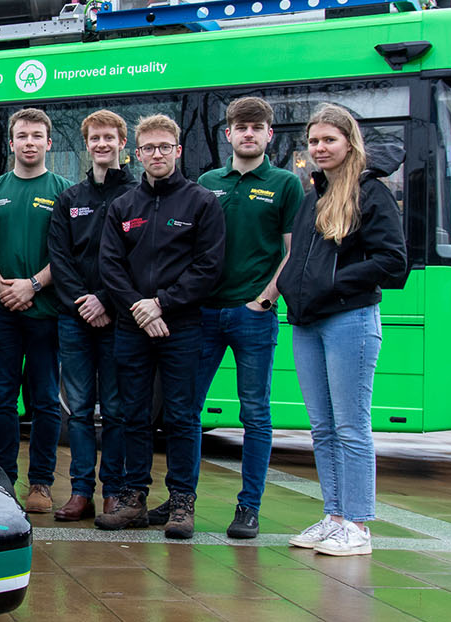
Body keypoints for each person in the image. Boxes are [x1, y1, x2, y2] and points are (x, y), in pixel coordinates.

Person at [168, 96, 304, 539]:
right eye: (240, 127)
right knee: (184, 411)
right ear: (228, 134)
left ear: (269, 134)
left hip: (253, 316)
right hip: (203, 315)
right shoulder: (208, 181)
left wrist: (264, 299)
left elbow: (292, 251)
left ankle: (248, 508)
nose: (248, 134)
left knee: (255, 415)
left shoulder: (285, 185)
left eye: (256, 127)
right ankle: (179, 500)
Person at [279, 104, 406, 556]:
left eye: (328, 140)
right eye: (313, 141)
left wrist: (333, 283)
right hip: (309, 322)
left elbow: (393, 262)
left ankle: (358, 523)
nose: (319, 148)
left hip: (350, 319)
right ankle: (334, 515)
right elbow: (299, 258)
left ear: (349, 142)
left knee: (352, 425)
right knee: (322, 427)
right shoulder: (313, 194)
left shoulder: (371, 193)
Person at [95, 114, 225, 539]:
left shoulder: (202, 202)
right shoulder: (123, 206)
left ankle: (182, 504)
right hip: (132, 327)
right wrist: (138, 307)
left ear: (177, 151)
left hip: (182, 325)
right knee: (132, 414)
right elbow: (110, 266)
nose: (156, 154)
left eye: (164, 147)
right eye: (148, 148)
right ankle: (133, 499)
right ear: (137, 152)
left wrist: (161, 304)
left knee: (183, 417)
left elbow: (209, 267)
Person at [0, 108, 72, 510]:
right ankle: (3, 478)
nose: (29, 142)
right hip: (1, 311)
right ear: (11, 143)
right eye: (21, 136)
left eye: (36, 136)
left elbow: (67, 255)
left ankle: (41, 484)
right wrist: (2, 287)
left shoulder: (65, 191)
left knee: (47, 399)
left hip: (46, 312)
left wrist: (32, 285)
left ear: (48, 143)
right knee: (1, 398)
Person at [47, 110, 137, 522]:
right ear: (87, 144)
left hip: (120, 319)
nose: (102, 144)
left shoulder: (137, 196)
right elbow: (60, 258)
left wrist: (105, 300)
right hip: (74, 319)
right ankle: (81, 491)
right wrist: (84, 300)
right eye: (95, 138)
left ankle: (113, 492)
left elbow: (136, 260)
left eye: (110, 137)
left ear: (123, 143)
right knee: (79, 411)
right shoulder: (70, 199)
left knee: (116, 411)